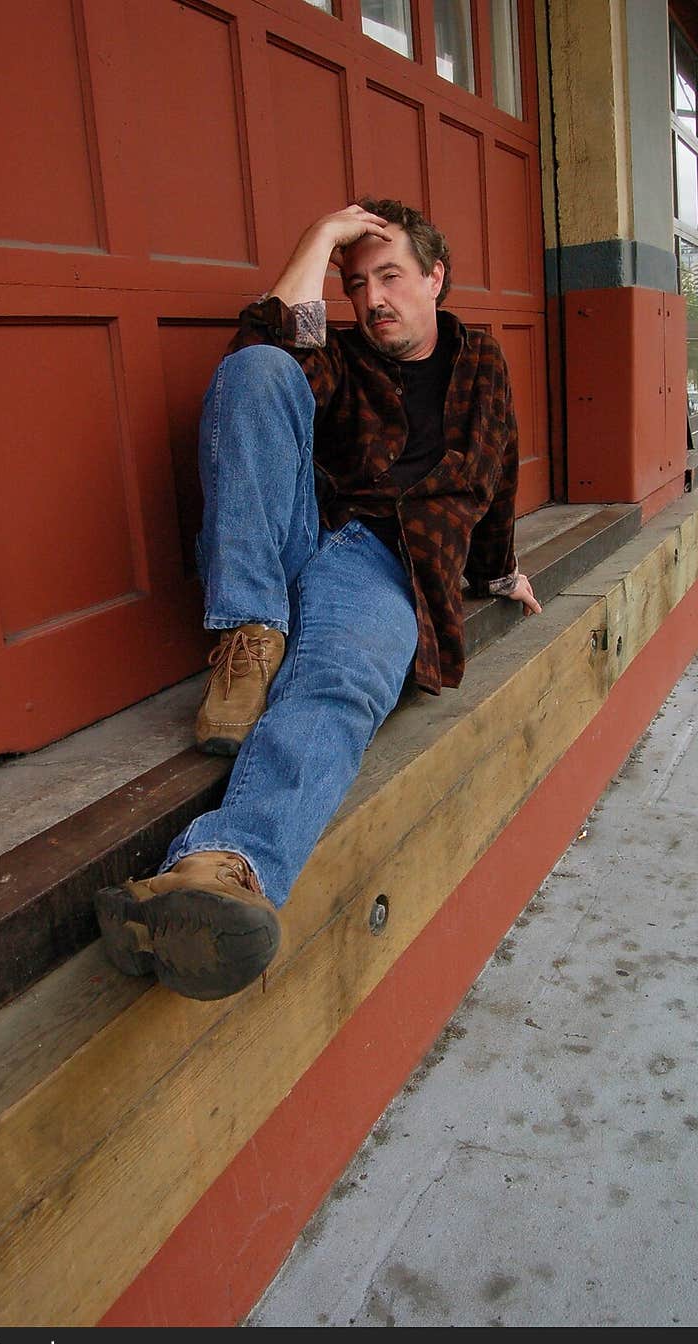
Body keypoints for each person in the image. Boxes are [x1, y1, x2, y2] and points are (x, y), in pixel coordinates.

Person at [94, 199, 541, 1001]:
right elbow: (255, 357)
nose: (373, 298)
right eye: (357, 281)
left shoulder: (483, 368)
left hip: (383, 566)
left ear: (436, 277)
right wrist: (319, 237)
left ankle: (217, 873)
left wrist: (502, 571)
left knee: (340, 681)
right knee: (256, 368)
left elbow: (497, 478)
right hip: (292, 542)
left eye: (392, 276)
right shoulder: (337, 354)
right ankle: (251, 635)